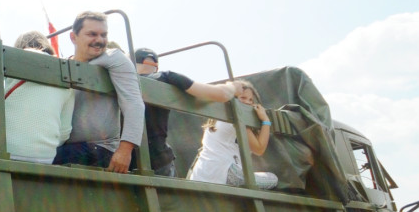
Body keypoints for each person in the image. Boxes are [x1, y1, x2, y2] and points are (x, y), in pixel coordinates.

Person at [53, 12, 144, 172]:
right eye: (92, 34)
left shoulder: (114, 58)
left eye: (104, 35)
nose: (100, 40)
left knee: (44, 161)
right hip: (67, 146)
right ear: (73, 37)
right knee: (33, 153)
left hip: (100, 148)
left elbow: (133, 103)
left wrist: (125, 150)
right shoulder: (63, 65)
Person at [131, 47, 238, 176]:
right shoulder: (166, 77)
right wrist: (233, 87)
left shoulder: (119, 80)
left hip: (123, 160)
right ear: (155, 65)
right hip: (158, 160)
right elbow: (221, 94)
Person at [188, 79, 278, 189]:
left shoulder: (218, 119)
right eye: (243, 98)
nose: (248, 102)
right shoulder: (235, 118)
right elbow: (259, 149)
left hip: (199, 176)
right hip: (226, 173)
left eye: (251, 100)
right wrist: (266, 120)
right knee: (273, 178)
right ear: (232, 99)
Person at [2, 31, 75, 164]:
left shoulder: (11, 60)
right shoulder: (67, 75)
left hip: (3, 151)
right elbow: (64, 132)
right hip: (43, 158)